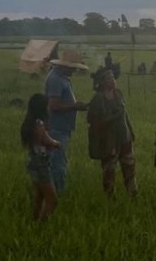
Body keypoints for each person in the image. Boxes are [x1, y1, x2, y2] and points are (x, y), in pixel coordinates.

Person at [44, 49, 89, 194]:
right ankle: (57, 194)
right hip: (56, 128)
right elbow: (54, 105)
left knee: (57, 161)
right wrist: (75, 106)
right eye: (74, 67)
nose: (75, 70)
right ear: (66, 66)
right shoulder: (56, 79)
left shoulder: (62, 77)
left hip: (62, 127)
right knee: (58, 164)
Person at [87, 69, 137, 198]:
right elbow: (92, 120)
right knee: (109, 168)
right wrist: (113, 117)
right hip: (108, 139)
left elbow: (124, 113)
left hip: (124, 137)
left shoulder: (119, 94)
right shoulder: (98, 98)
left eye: (113, 78)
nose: (112, 81)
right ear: (101, 82)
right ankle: (110, 195)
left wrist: (131, 131)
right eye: (108, 78)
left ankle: (132, 192)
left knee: (129, 165)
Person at [20, 93, 61, 221]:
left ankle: (34, 220)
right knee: (52, 199)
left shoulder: (29, 122)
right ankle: (41, 226)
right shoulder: (38, 123)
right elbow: (44, 139)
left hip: (33, 160)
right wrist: (56, 143)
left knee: (39, 196)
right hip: (41, 163)